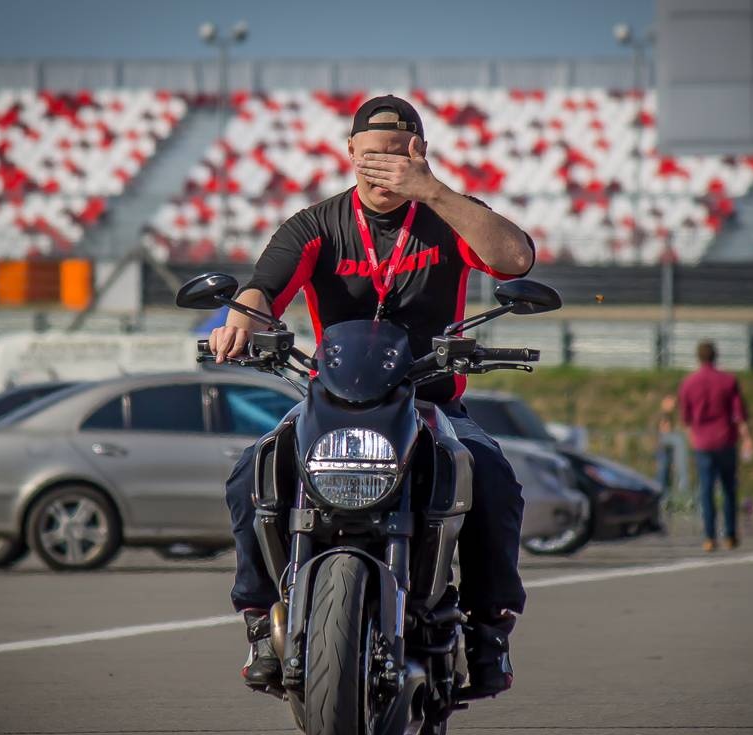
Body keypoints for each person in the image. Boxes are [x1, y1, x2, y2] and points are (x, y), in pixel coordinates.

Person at [209, 95, 536, 697]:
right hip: (330, 403)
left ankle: (489, 631)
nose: (383, 164)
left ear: (420, 151)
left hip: (430, 404)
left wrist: (431, 190)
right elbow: (264, 287)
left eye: (397, 153)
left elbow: (514, 260)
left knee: (491, 474)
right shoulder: (315, 224)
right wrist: (242, 319)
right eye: (371, 153)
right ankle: (259, 620)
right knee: (251, 470)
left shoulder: (448, 214)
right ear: (349, 151)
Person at [678, 340, 753, 552]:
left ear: (698, 357)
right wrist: (747, 437)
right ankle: (730, 534)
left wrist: (692, 438)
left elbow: (685, 417)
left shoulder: (688, 383)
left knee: (706, 489)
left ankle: (709, 537)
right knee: (729, 488)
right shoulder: (728, 381)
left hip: (702, 442)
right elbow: (739, 414)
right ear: (715, 356)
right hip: (725, 439)